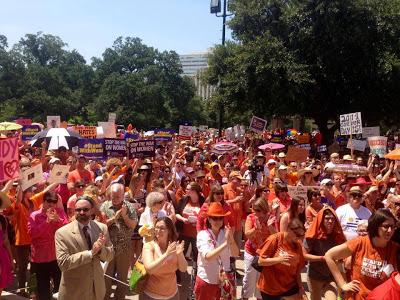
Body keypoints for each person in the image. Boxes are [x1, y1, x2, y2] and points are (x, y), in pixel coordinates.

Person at [325, 209, 400, 300]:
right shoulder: (360, 242)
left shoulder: (395, 249)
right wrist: (342, 284)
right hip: (358, 297)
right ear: (375, 225)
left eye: (393, 227)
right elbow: (329, 256)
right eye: (386, 226)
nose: (390, 230)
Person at [55, 196, 114, 300]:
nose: (81, 212)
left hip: (96, 290)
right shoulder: (62, 233)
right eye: (78, 210)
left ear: (92, 210)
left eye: (85, 209)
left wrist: (100, 250)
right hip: (74, 292)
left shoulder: (101, 228)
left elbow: (110, 255)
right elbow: (63, 263)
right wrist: (91, 253)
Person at [28, 191, 68, 300]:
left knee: (60, 288)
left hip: (56, 256)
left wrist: (58, 221)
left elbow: (67, 231)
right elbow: (32, 234)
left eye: (54, 202)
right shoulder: (34, 215)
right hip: (40, 259)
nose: (51, 204)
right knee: (43, 290)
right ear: (43, 201)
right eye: (49, 201)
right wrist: (47, 222)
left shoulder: (59, 213)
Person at [195, 202, 239, 300]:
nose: (218, 221)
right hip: (207, 281)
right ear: (209, 219)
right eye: (214, 218)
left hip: (225, 281)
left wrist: (231, 240)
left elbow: (236, 253)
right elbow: (208, 257)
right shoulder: (202, 235)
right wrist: (226, 244)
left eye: (220, 218)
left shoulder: (225, 233)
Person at [101, 183, 138, 300]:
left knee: (122, 277)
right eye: (113, 196)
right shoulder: (105, 206)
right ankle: (105, 297)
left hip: (124, 248)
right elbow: (100, 225)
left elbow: (133, 225)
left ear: (123, 195)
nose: (115, 199)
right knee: (106, 276)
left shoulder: (129, 207)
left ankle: (120, 297)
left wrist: (125, 216)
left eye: (118, 197)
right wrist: (114, 218)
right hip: (108, 248)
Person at [257, 218, 306, 299]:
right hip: (271, 288)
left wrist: (301, 288)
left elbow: (297, 270)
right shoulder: (275, 239)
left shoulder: (297, 245)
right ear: (289, 230)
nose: (300, 238)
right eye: (298, 235)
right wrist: (280, 259)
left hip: (289, 286)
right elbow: (260, 261)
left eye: (302, 236)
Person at [303, 206, 346, 300]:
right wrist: (323, 258)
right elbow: (304, 255)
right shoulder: (312, 234)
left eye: (332, 219)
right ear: (321, 219)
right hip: (315, 275)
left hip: (330, 276)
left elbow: (344, 253)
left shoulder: (337, 235)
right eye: (327, 218)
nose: (330, 221)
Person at [141, 217, 188, 300]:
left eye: (162, 228)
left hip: (173, 295)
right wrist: (166, 255)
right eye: (157, 227)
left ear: (169, 230)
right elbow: (149, 269)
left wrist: (180, 254)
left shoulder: (174, 246)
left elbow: (183, 269)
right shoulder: (149, 246)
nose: (158, 230)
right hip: (151, 296)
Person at [242, 198, 276, 300]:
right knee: (249, 279)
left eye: (258, 210)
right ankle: (245, 297)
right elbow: (247, 234)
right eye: (254, 209)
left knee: (261, 282)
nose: (255, 212)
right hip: (251, 252)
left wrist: (270, 226)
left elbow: (277, 237)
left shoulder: (271, 218)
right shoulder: (251, 217)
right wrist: (255, 229)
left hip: (265, 254)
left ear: (264, 209)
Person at [175, 182, 204, 272]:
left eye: (188, 189)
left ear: (194, 191)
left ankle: (196, 274)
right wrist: (183, 219)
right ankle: (178, 274)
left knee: (197, 256)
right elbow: (176, 214)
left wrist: (198, 221)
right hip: (184, 233)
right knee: (180, 254)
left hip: (198, 234)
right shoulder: (183, 200)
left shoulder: (203, 201)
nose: (186, 190)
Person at [0, 192, 12, 297]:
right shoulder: (3, 219)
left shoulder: (3, 219)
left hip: (2, 257)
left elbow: (6, 241)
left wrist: (11, 258)